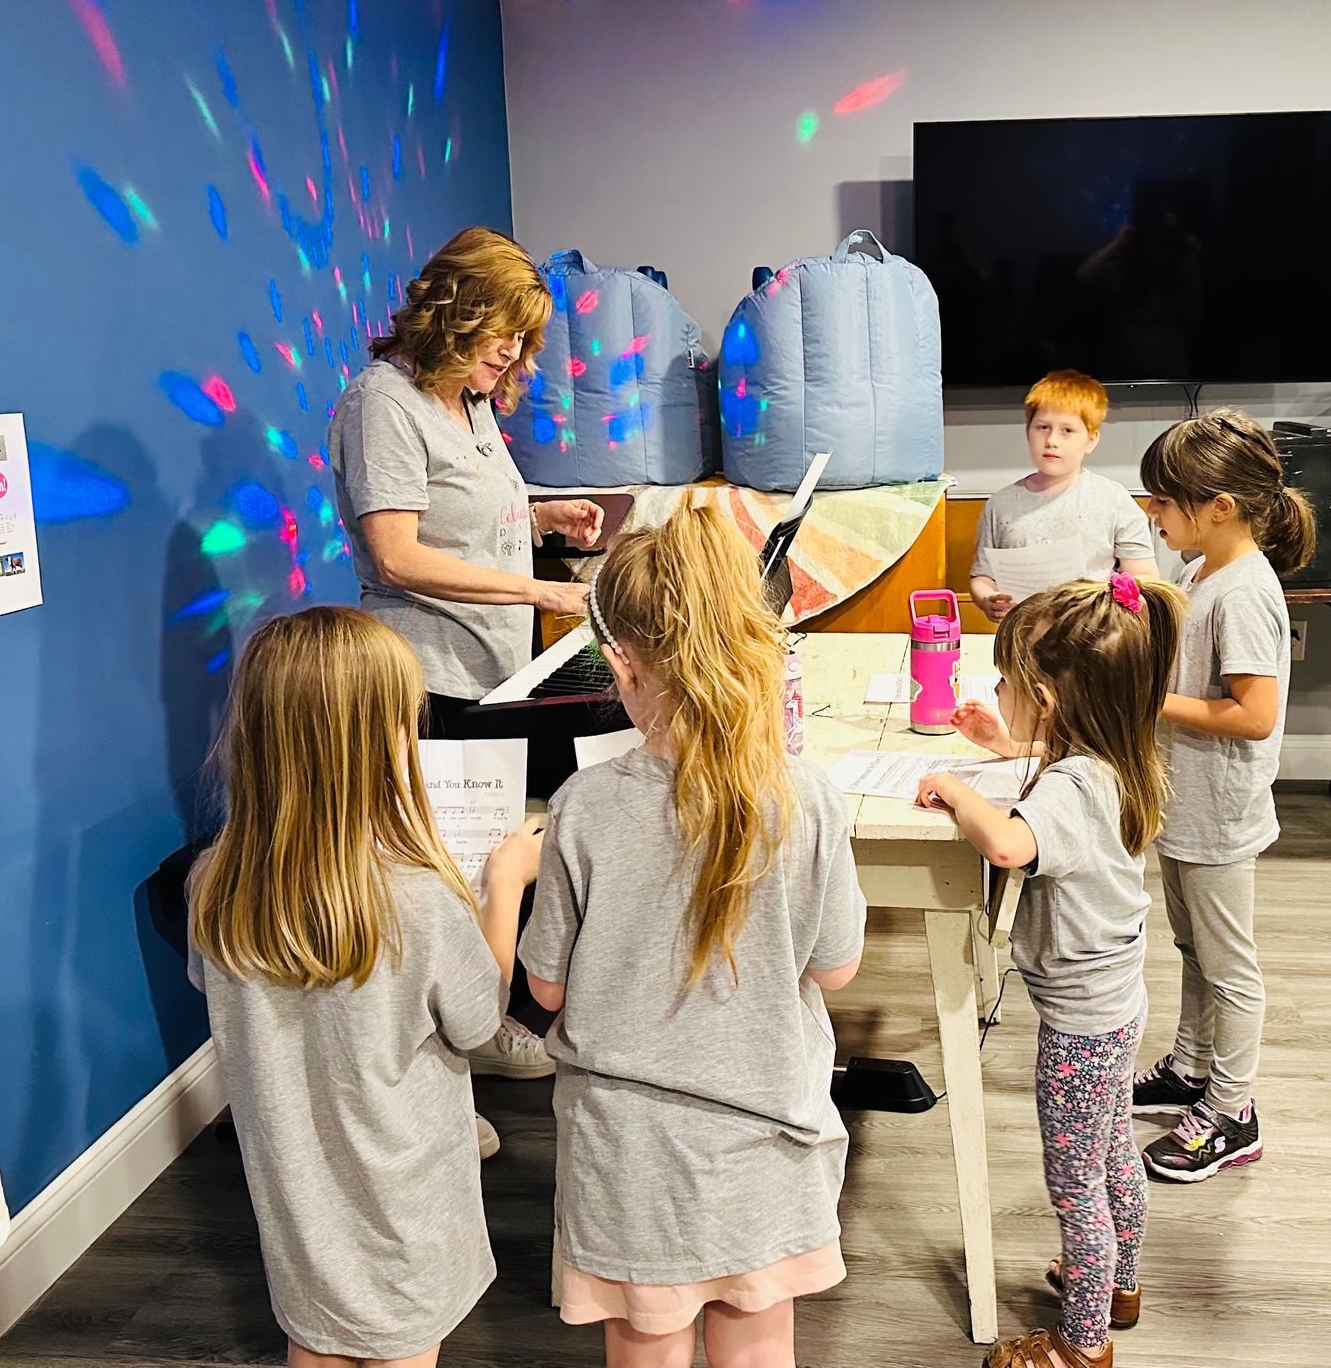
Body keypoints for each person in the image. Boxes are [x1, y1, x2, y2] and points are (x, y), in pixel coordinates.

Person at [519, 506, 866, 1368]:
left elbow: (549, 990)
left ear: (624, 664)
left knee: (647, 1347)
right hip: (769, 1140)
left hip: (628, 1155)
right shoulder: (809, 798)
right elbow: (838, 966)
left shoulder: (583, 808)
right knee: (757, 1351)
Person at [187, 606, 548, 1368]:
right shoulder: (419, 898)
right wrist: (505, 887)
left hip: (295, 1202)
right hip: (403, 1209)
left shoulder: (213, 884)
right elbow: (480, 1018)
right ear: (377, 744)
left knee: (315, 1340)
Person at [329, 226, 602, 1083]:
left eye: (526, 341)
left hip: (495, 673)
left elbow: (470, 516)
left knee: (560, 805)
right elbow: (398, 556)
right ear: (456, 313)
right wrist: (545, 592)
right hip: (427, 677)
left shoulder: (470, 402)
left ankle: (520, 1004)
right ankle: (469, 1041)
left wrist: (545, 517)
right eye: (504, 337)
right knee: (457, 868)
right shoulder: (384, 402)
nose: (515, 356)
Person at [921, 573, 1184, 1368]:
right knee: (1109, 1153)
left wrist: (957, 788)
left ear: (1045, 695)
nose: (996, 690)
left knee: (1074, 1181)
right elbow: (1060, 789)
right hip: (1117, 1001)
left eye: (1003, 683)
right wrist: (1006, 748)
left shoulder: (1071, 785)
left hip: (1078, 1022)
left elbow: (1006, 843)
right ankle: (1119, 1286)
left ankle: (1082, 1343)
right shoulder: (1117, 755)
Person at [1125, 410, 1315, 1183]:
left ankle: (1232, 1110)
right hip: (1186, 800)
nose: (1152, 515)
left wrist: (1146, 700)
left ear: (1218, 506)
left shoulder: (1242, 592)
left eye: (1163, 504)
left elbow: (1254, 714)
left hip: (1219, 808)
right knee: (1193, 947)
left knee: (1229, 965)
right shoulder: (1202, 571)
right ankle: (1192, 1067)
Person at [970, 370, 1158, 624]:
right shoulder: (1000, 504)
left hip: (1094, 636)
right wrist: (987, 599)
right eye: (1043, 428)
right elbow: (982, 576)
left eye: (1067, 430)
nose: (1052, 441)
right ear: (1028, 431)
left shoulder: (1113, 500)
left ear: (1091, 440)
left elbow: (1144, 579)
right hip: (1023, 636)